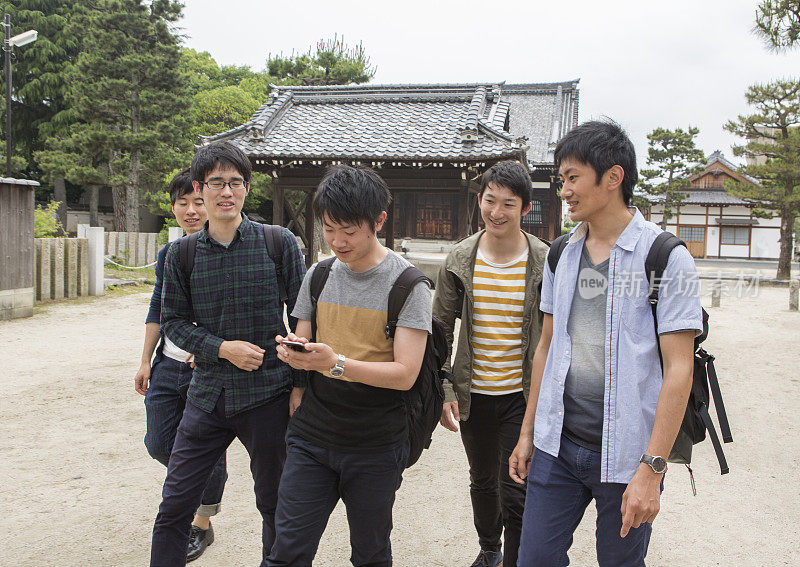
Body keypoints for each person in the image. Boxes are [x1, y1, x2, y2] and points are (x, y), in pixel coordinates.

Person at [509, 120, 702, 566]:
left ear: (613, 178)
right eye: (562, 180)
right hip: (557, 446)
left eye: (573, 178)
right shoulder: (562, 253)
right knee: (534, 559)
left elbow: (679, 369)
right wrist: (527, 434)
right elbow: (547, 348)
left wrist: (652, 470)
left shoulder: (664, 258)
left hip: (627, 454)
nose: (565, 191)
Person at [150, 141, 307, 567]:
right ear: (199, 189)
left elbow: (306, 319)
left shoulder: (280, 243)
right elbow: (173, 323)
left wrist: (300, 385)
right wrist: (222, 348)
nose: (226, 192)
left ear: (246, 188)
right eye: (216, 183)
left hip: (269, 394)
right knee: (175, 505)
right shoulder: (180, 254)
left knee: (275, 504)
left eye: (235, 182)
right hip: (206, 396)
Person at [267, 165, 432, 567]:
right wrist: (295, 353)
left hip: (376, 442)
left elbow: (405, 374)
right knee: (286, 551)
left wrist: (336, 364)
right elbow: (306, 338)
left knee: (371, 555)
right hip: (312, 435)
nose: (337, 241)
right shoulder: (319, 275)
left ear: (379, 220)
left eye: (349, 230)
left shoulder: (410, 286)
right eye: (328, 229)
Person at [432, 160, 548, 567]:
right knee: (482, 482)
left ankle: (514, 559)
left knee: (516, 484)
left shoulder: (544, 261)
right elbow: (440, 331)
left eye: (508, 204)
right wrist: (445, 388)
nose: (497, 212)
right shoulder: (460, 258)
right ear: (480, 200)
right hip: (474, 394)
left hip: (521, 394)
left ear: (526, 208)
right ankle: (490, 550)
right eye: (490, 200)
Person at [134, 169, 227, 562]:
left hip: (206, 368)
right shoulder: (168, 254)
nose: (190, 210)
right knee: (158, 442)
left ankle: (200, 525)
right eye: (182, 202)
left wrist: (207, 347)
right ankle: (201, 482)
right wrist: (144, 360)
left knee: (206, 448)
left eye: (197, 202)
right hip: (168, 364)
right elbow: (158, 307)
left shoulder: (228, 249)